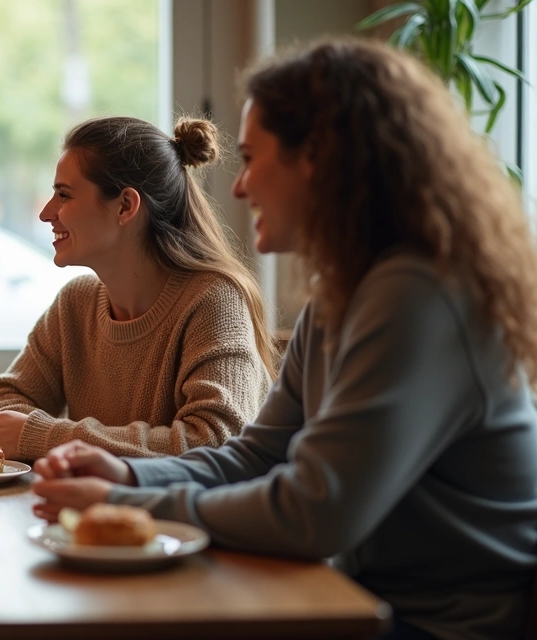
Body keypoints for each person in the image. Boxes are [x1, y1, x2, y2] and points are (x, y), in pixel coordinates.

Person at [32, 39, 537, 640]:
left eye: (250, 157)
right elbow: (258, 454)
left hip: (446, 628)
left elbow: (316, 510)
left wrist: (128, 507)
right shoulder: (342, 294)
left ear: (317, 159)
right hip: (362, 599)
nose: (239, 188)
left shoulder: (418, 293)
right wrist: (129, 477)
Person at [0, 115, 276, 463]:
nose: (45, 213)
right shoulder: (77, 302)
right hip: (97, 512)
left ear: (126, 206)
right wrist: (33, 434)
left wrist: (46, 437)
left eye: (64, 195)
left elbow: (215, 441)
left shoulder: (213, 301)